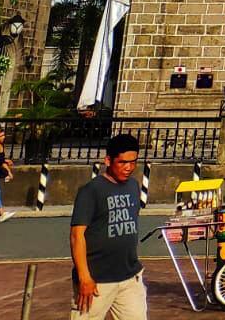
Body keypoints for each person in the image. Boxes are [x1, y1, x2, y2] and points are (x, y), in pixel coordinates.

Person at [71, 133, 146, 320]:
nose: (128, 168)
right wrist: (84, 277)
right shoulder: (91, 191)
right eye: (122, 162)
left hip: (129, 277)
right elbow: (77, 236)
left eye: (133, 162)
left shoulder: (133, 186)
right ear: (108, 160)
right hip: (97, 281)